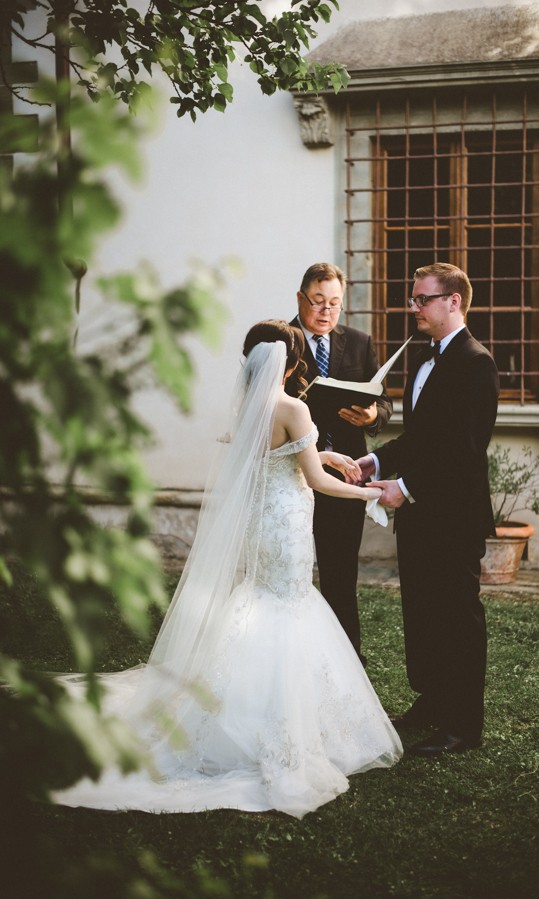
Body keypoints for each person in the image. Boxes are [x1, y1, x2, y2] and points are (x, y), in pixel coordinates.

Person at [53, 320, 402, 818]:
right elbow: (316, 482)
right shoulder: (295, 407)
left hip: (264, 522)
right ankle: (278, 729)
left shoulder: (251, 406)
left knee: (261, 598)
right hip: (287, 519)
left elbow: (277, 453)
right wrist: (371, 491)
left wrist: (322, 452)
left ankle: (223, 713)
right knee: (288, 603)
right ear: (294, 361)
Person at [356, 263, 499, 757]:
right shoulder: (424, 359)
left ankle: (463, 725)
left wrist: (407, 487)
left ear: (453, 301)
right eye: (413, 298)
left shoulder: (475, 362)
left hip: (453, 518)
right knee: (423, 612)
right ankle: (435, 701)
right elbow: (421, 439)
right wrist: (376, 459)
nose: (413, 306)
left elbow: (463, 451)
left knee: (457, 617)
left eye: (422, 299)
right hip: (419, 516)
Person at [287, 263, 392, 664]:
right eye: (318, 302)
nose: (326, 312)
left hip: (343, 472)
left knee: (341, 576)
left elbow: (383, 400)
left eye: (334, 304)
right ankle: (297, 660)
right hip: (292, 475)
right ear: (301, 299)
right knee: (292, 574)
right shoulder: (283, 340)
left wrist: (372, 417)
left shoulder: (359, 343)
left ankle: (346, 661)